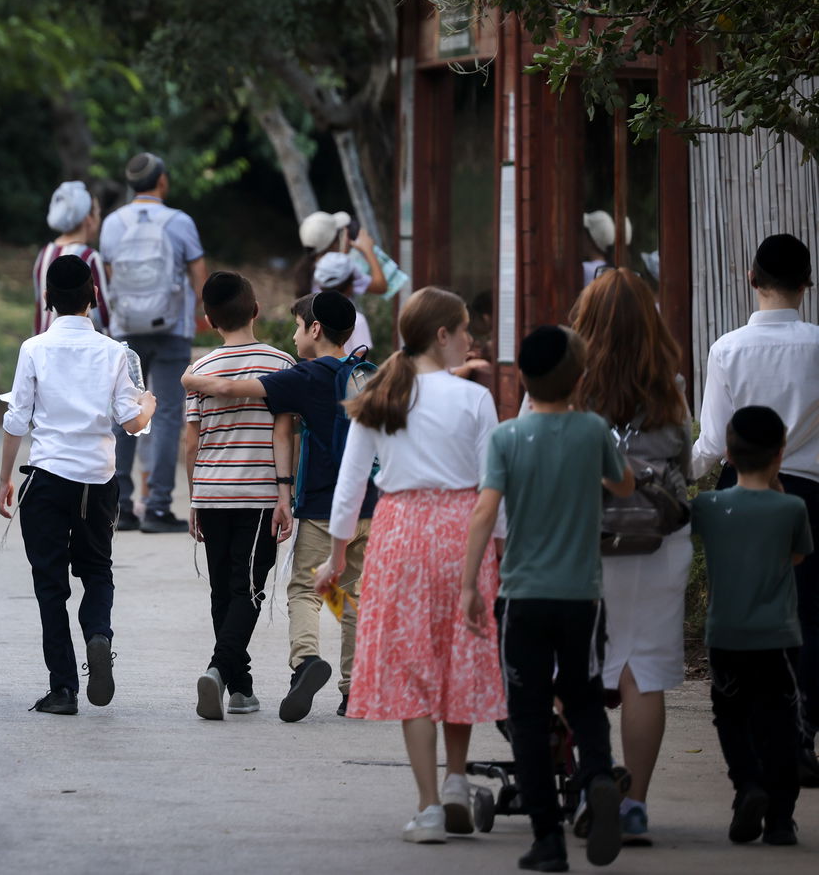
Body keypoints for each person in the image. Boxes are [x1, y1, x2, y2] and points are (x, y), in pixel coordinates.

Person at [315, 287, 505, 845]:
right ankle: (456, 782)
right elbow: (495, 484)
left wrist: (337, 553)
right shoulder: (473, 398)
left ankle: (426, 808)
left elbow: (351, 484)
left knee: (413, 665)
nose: (470, 340)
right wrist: (498, 547)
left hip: (399, 535)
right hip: (462, 534)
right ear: (443, 335)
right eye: (465, 329)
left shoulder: (383, 392)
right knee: (459, 657)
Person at [462, 325, 634, 872]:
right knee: (584, 700)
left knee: (529, 716)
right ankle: (600, 778)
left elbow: (486, 512)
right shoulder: (594, 430)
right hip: (582, 597)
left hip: (522, 599)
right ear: (579, 379)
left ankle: (547, 842)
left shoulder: (507, 438)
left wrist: (469, 584)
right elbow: (624, 485)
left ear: (521, 383)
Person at [182, 291, 376, 722]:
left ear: (315, 329)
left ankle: (305, 662)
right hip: (373, 506)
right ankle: (355, 689)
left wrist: (189, 380)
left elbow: (231, 388)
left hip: (326, 506)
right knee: (354, 595)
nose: (293, 336)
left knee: (306, 589)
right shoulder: (368, 373)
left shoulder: (306, 376)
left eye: (296, 327)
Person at [0, 256, 157, 715]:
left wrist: (5, 478)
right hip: (96, 481)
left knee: (50, 586)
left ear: (47, 300)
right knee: (97, 570)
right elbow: (131, 423)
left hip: (46, 478)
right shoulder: (115, 352)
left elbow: (17, 420)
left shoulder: (33, 349)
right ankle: (98, 635)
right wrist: (148, 404)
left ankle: (63, 688)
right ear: (94, 297)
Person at [568, 268, 694, 846]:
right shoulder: (667, 383)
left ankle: (589, 788)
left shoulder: (567, 381)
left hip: (582, 541)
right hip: (657, 542)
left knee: (577, 669)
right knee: (644, 673)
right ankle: (636, 805)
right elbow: (685, 466)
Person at [692, 233, 819, 786]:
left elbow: (711, 442)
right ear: (806, 285)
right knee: (812, 618)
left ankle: (745, 744)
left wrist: (677, 480)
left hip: (738, 491)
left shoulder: (727, 349)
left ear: (751, 277)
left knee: (738, 619)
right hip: (811, 493)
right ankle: (799, 736)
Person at [692, 405, 814, 847]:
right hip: (779, 636)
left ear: (727, 452)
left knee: (730, 715)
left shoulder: (709, 505)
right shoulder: (793, 509)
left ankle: (748, 786)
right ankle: (781, 820)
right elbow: (797, 557)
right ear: (781, 454)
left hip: (725, 636)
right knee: (780, 722)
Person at [184, 272, 296, 720]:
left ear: (210, 320)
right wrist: (284, 495)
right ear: (256, 310)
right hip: (259, 495)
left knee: (222, 591)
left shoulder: (200, 371)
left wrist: (194, 496)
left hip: (212, 493)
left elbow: (192, 443)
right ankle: (217, 670)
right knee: (247, 589)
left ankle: (241, 687)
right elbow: (284, 430)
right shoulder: (281, 364)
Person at [101, 152, 209, 534]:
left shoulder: (112, 223)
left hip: (126, 328)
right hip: (171, 330)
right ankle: (159, 508)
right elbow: (198, 270)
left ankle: (121, 505)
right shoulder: (179, 222)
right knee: (164, 416)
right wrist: (204, 310)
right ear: (162, 182)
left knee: (123, 410)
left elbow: (110, 275)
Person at [301, 210, 387, 356]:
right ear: (334, 241)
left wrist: (343, 254)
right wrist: (368, 250)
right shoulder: (357, 322)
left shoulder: (306, 273)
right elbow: (380, 286)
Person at [33, 181, 109, 335]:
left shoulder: (44, 253)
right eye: (97, 213)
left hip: (45, 344)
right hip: (78, 350)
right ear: (88, 219)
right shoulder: (89, 257)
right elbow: (102, 316)